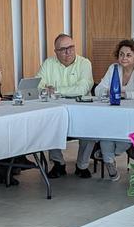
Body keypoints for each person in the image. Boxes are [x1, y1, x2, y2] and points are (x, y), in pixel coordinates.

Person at [76, 39, 134, 181]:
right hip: (112, 113)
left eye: (128, 55)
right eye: (121, 54)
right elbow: (99, 89)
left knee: (125, 135)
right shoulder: (113, 68)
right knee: (107, 131)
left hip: (133, 117)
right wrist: (108, 92)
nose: (124, 58)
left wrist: (124, 94)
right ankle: (109, 162)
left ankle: (106, 155)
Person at [37, 34, 93, 177]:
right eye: (63, 49)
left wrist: (55, 90)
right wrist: (46, 90)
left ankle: (82, 165)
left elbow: (82, 89)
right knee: (49, 125)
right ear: (55, 52)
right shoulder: (49, 63)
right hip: (56, 110)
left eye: (70, 48)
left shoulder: (84, 63)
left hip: (82, 110)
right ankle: (58, 164)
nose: (68, 52)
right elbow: (38, 86)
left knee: (91, 129)